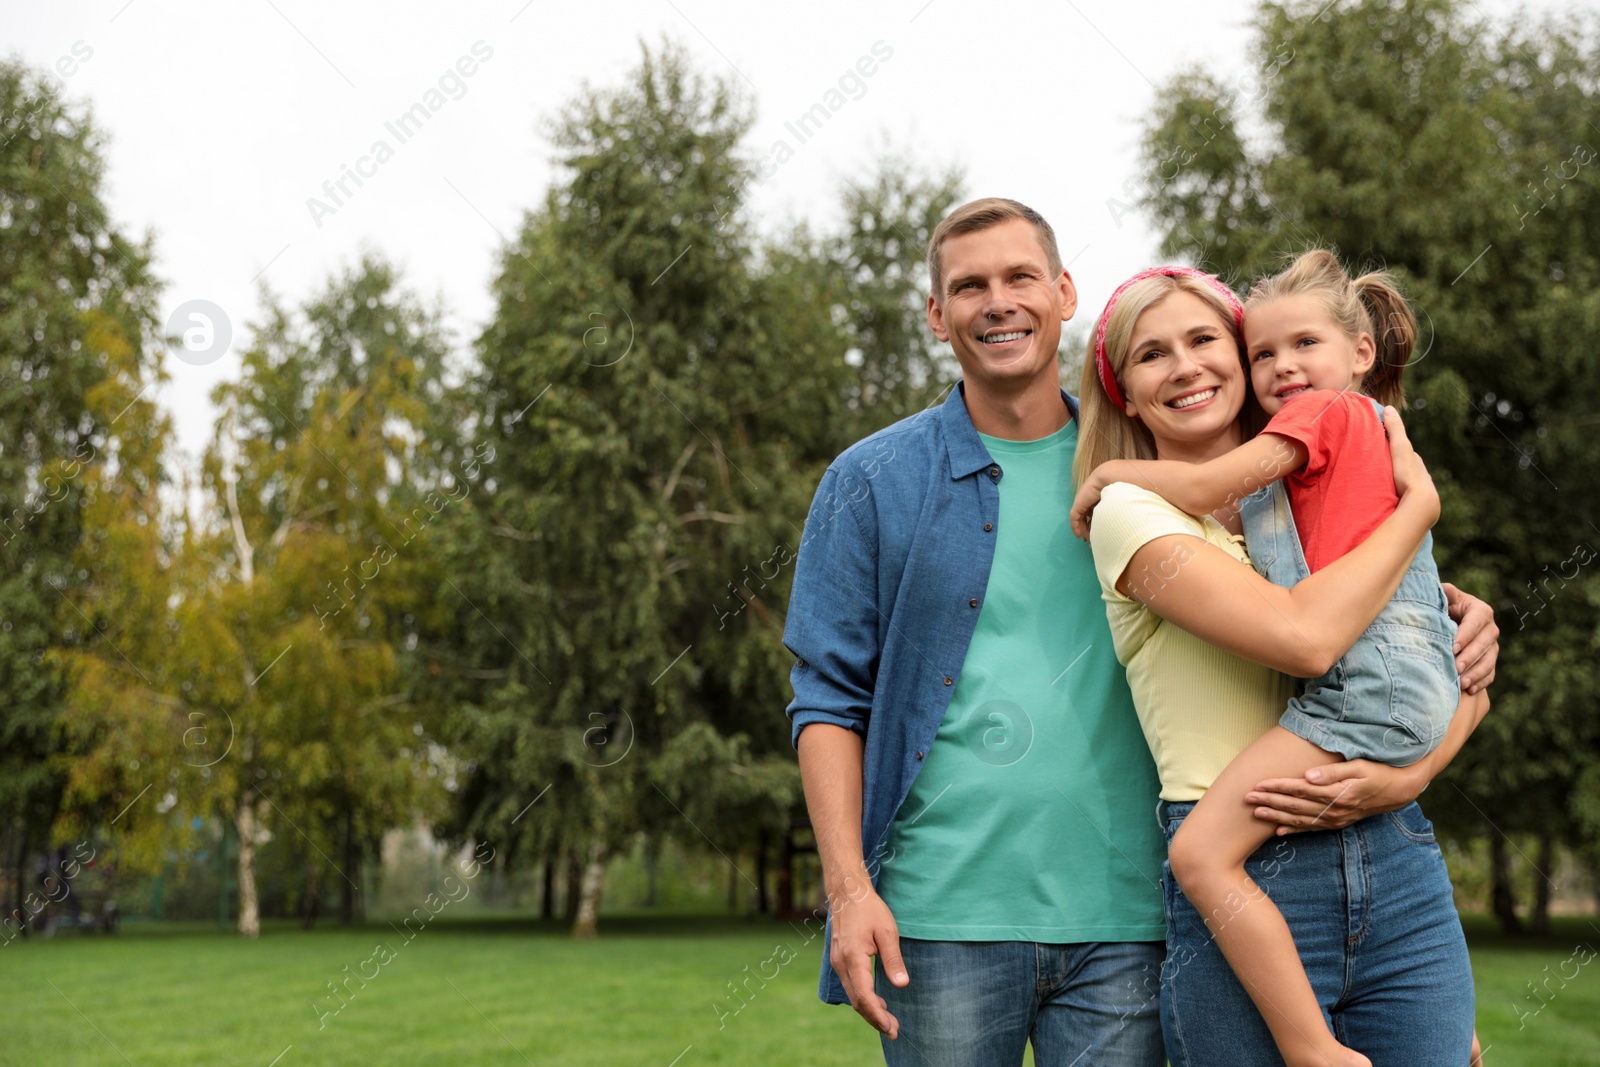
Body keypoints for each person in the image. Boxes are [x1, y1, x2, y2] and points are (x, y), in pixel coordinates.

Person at [782, 199, 1500, 1067]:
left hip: (1135, 918)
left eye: (1020, 277)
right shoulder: (893, 482)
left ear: (1063, 292)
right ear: (937, 315)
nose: (997, 302)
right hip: (947, 913)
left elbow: (1372, 641)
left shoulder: (1238, 492)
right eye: (968, 286)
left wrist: (1450, 618)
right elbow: (829, 696)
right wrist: (850, 888)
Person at [1071, 264, 1488, 1067]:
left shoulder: (1296, 500)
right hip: (1249, 863)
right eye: (1153, 355)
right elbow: (1308, 642)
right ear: (1123, 392)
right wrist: (1420, 511)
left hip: (1392, 846)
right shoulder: (1133, 511)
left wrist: (1405, 780)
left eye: (1203, 340)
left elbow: (1457, 685)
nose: (1187, 365)